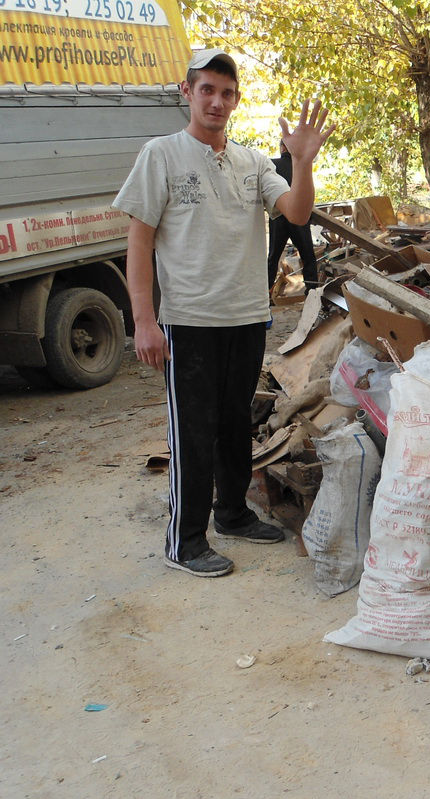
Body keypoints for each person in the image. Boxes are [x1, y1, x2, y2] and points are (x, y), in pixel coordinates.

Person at [113, 48, 335, 577]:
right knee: (194, 428)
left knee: (236, 423)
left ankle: (232, 514)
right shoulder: (160, 155)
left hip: (246, 316)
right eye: (207, 89)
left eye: (227, 92)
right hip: (189, 322)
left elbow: (298, 212)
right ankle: (185, 542)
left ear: (236, 101)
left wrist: (301, 160)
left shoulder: (253, 162)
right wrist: (144, 320)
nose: (217, 101)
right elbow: (138, 245)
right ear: (186, 92)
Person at [267, 141, 319, 289]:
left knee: (273, 258)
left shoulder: (271, 165)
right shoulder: (302, 167)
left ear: (282, 148)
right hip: (300, 218)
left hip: (278, 217)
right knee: (308, 257)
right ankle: (312, 294)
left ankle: (264, 297)